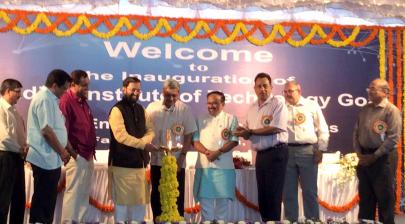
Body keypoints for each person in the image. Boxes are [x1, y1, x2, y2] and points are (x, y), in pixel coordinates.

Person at [234, 72, 288, 221]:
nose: (262, 89)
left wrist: (250, 131)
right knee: (263, 195)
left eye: (265, 86)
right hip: (261, 155)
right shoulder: (252, 108)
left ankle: (274, 221)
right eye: (259, 86)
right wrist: (237, 131)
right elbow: (247, 132)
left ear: (271, 87)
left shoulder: (278, 103)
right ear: (254, 88)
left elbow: (276, 127)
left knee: (273, 194)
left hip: (276, 153)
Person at [145, 79, 197, 220]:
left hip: (177, 162)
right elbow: (145, 133)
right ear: (163, 92)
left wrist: (181, 159)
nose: (171, 98)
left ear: (179, 94)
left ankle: (176, 221)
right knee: (157, 195)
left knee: (176, 196)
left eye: (174, 95)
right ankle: (158, 220)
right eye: (168, 95)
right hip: (157, 161)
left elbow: (189, 135)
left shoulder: (184, 109)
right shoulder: (152, 108)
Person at [26, 69, 72, 224]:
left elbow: (56, 129)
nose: (65, 92)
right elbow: (46, 130)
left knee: (47, 201)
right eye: (64, 88)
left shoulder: (51, 99)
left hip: (50, 158)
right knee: (43, 202)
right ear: (54, 85)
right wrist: (63, 152)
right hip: (44, 157)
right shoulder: (45, 99)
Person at [353, 78, 401, 224]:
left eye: (373, 88)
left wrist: (374, 156)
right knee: (366, 199)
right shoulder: (365, 109)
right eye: (369, 88)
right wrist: (359, 154)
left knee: (385, 199)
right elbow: (356, 133)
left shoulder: (391, 111)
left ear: (385, 92)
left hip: (383, 159)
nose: (369, 91)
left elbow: (393, 138)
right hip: (365, 158)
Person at [108, 77, 155, 224]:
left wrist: (143, 142)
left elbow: (151, 130)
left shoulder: (141, 109)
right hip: (122, 163)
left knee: (139, 203)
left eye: (138, 90)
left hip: (140, 164)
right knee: (122, 204)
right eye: (132, 89)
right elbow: (121, 136)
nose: (136, 93)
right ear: (124, 89)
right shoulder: (117, 110)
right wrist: (143, 145)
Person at [282, 80, 330, 221]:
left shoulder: (311, 105)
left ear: (299, 90)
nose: (287, 94)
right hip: (287, 152)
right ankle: (290, 221)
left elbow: (323, 128)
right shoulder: (281, 107)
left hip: (308, 152)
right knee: (288, 193)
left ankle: (313, 220)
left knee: (309, 191)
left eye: (290, 91)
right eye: (285, 92)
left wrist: (321, 149)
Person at [193, 91, 238, 221]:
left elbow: (234, 140)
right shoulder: (199, 119)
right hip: (204, 167)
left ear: (223, 104)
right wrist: (207, 152)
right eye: (209, 103)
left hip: (224, 168)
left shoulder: (231, 119)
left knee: (222, 209)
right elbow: (195, 141)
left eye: (215, 103)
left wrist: (218, 152)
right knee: (206, 207)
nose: (211, 106)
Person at [60, 70, 97, 224]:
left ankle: (80, 221)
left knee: (83, 194)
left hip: (87, 155)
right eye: (84, 85)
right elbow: (62, 131)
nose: (87, 88)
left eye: (88, 85)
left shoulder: (83, 102)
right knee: (74, 193)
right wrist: (74, 154)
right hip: (76, 155)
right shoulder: (66, 101)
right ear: (72, 84)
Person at [0, 79, 27, 224]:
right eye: (17, 92)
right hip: (5, 158)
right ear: (7, 90)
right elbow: (4, 138)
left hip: (17, 157)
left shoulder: (14, 110)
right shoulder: (1, 109)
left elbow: (20, 135)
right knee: (3, 201)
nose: (20, 95)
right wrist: (20, 149)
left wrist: (24, 149)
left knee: (18, 199)